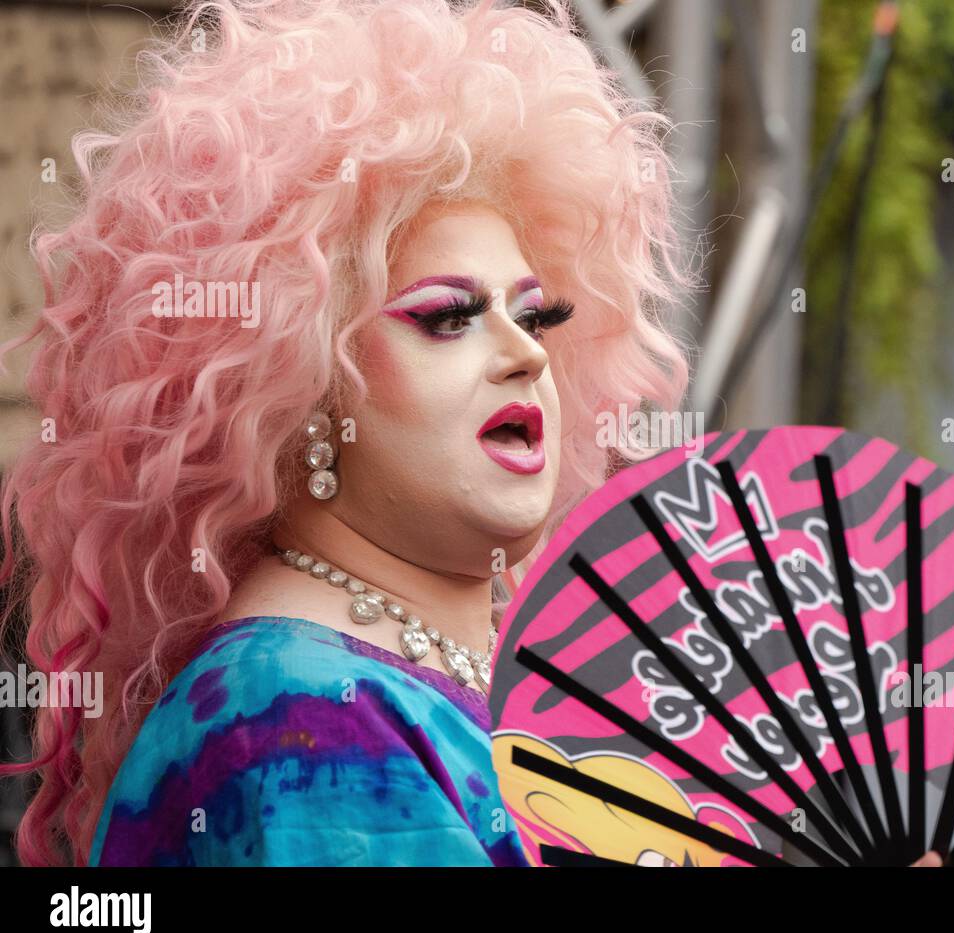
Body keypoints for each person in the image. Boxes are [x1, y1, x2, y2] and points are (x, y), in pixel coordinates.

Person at [0, 0, 688, 866]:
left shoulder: (454, 680)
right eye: (447, 317)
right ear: (301, 384)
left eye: (538, 316)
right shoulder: (300, 717)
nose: (525, 357)